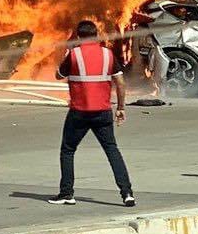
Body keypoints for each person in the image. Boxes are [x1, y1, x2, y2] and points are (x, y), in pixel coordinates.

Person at [48, 20, 136, 207]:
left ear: (78, 37)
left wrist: (63, 56)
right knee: (112, 150)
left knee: (68, 150)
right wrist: (120, 108)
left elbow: (58, 75)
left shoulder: (74, 55)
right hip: (103, 112)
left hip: (79, 113)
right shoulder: (108, 54)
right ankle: (127, 193)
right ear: (97, 35)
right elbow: (120, 83)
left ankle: (67, 193)